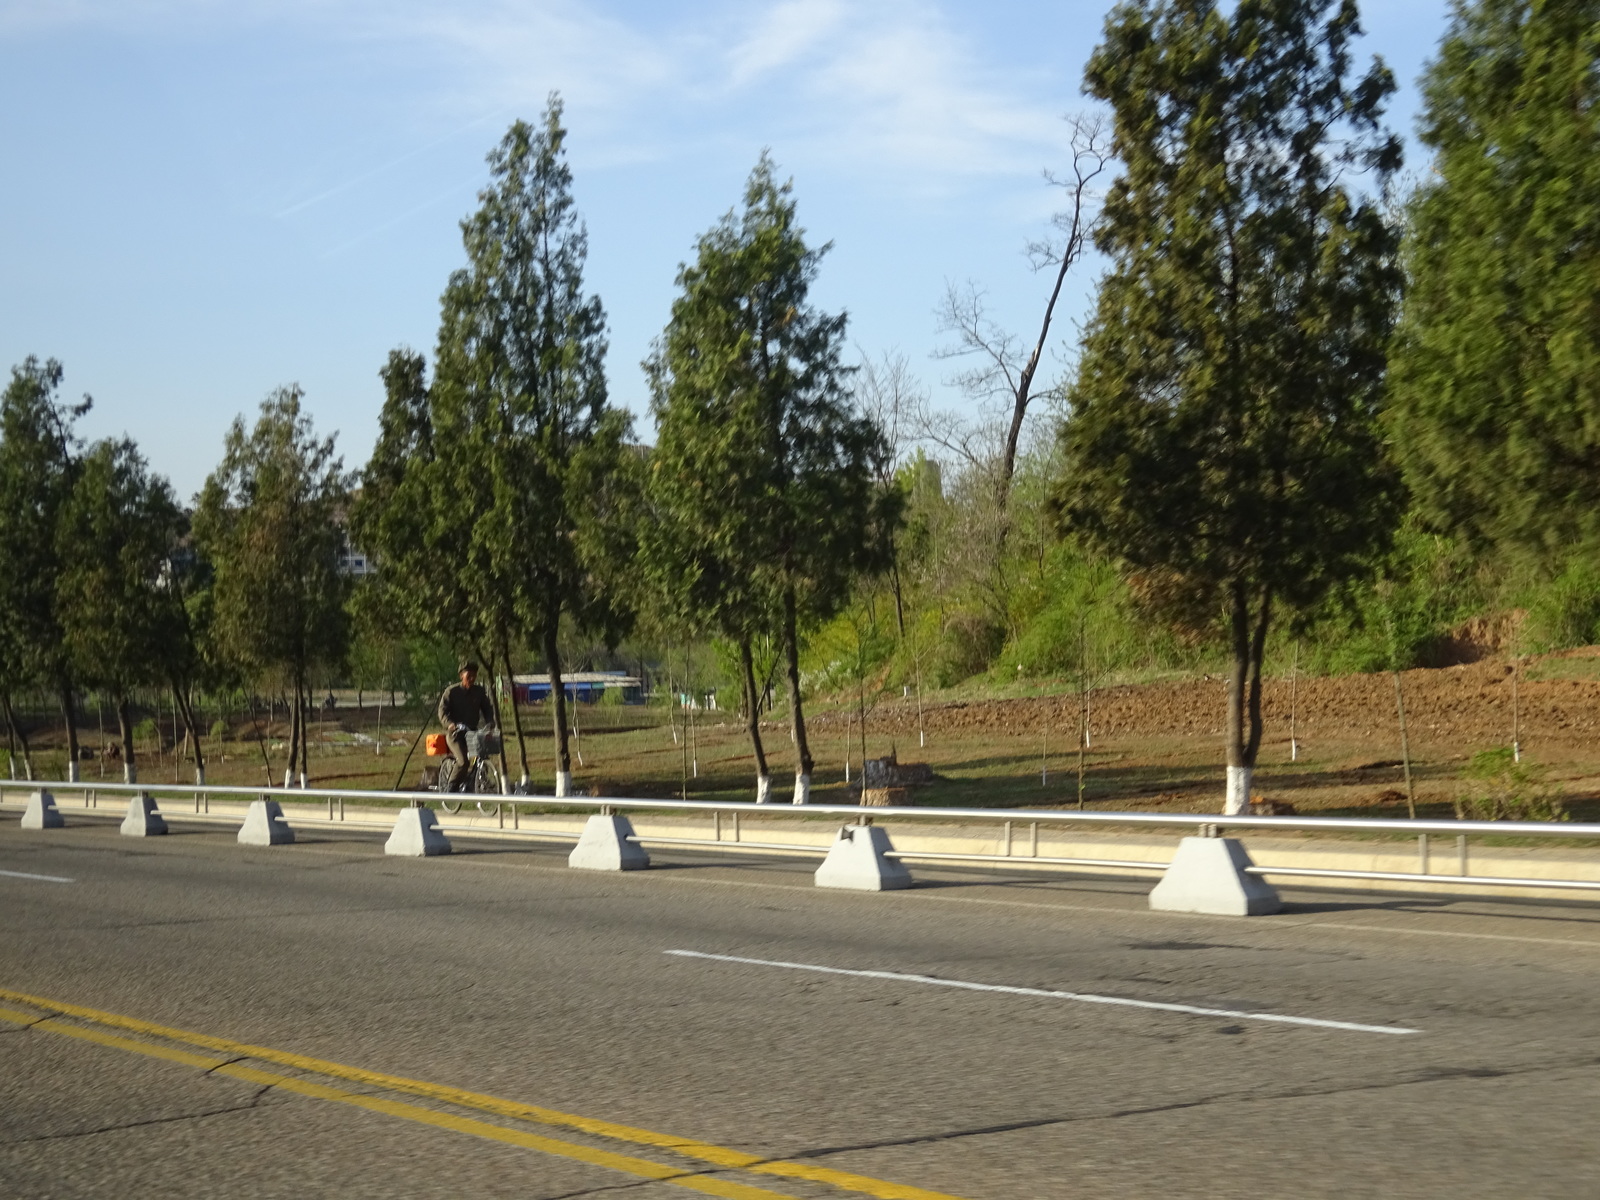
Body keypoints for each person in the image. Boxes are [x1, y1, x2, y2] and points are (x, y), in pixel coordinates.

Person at [437, 661, 496, 791]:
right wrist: (450, 724)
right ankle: (451, 787)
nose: (472, 678)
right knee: (463, 761)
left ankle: (480, 781)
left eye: (474, 675)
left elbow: (487, 708)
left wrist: (490, 721)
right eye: (468, 675)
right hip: (455, 734)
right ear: (461, 676)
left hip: (472, 732)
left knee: (483, 756)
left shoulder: (479, 691)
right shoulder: (451, 692)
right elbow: (442, 711)